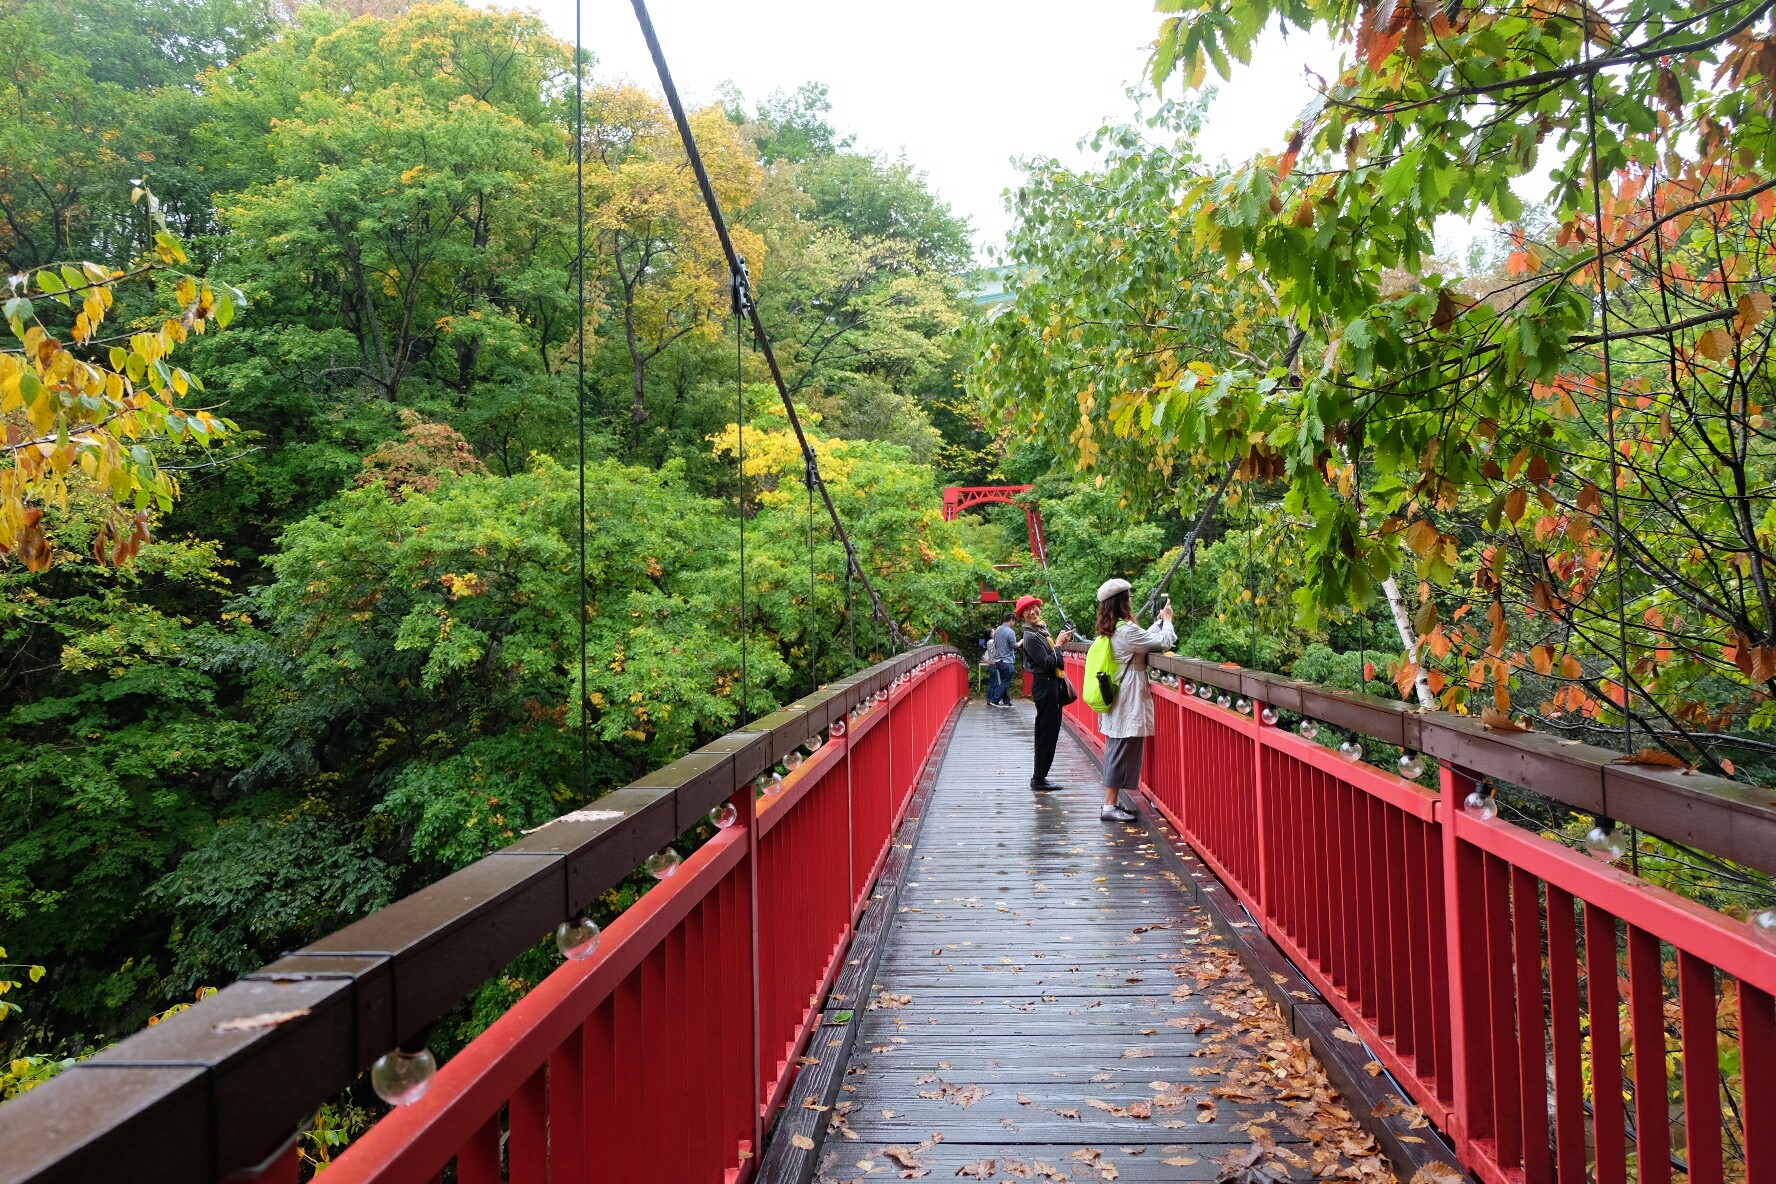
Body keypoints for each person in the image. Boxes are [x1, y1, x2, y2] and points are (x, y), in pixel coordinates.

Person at [1095, 578, 1175, 823]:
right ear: (1121, 602)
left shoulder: (1115, 628)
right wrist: (1169, 622)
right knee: (1119, 749)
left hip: (1118, 692)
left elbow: (1141, 640)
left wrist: (1158, 622)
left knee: (1117, 746)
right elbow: (1163, 643)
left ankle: (1112, 802)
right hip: (1127, 694)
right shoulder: (1126, 630)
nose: (1131, 600)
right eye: (1128, 597)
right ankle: (1109, 806)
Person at [1016, 595, 1074, 791]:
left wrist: (1059, 644)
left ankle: (1041, 777)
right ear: (1022, 615)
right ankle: (1038, 778)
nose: (1033, 612)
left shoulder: (1040, 631)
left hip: (1051, 686)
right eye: (1027, 610)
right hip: (1045, 686)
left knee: (1051, 731)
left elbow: (1052, 658)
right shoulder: (1031, 637)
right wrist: (1057, 645)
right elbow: (1049, 664)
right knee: (1046, 732)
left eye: (1034, 607)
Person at [987, 613, 1018, 707]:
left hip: (998, 660)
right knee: (1006, 682)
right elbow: (1014, 646)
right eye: (1014, 621)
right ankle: (994, 700)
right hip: (1007, 661)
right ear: (1011, 620)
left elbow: (995, 644)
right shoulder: (1010, 631)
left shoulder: (998, 629)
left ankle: (1006, 701)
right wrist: (1021, 642)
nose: (1014, 623)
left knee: (1004, 681)